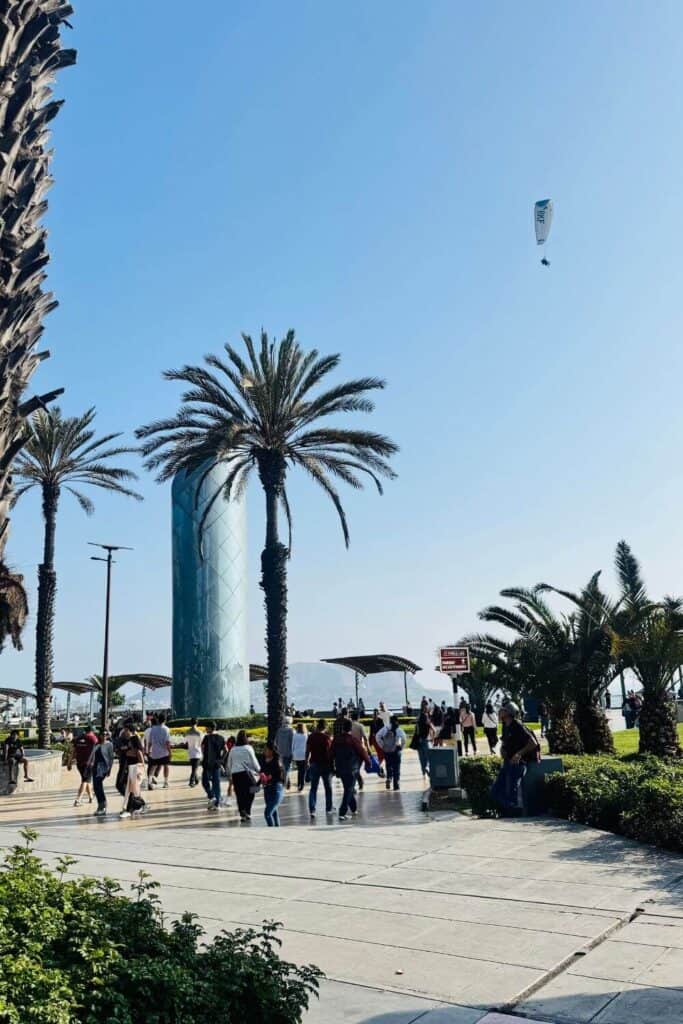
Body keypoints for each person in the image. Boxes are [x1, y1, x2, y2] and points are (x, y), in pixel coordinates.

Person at [490, 702, 540, 812]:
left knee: (512, 792)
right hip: (508, 762)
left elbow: (533, 743)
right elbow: (505, 742)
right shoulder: (505, 726)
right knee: (495, 791)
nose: (499, 712)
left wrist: (519, 754)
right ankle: (510, 808)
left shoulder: (518, 726)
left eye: (502, 710)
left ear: (508, 713)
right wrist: (502, 749)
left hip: (518, 764)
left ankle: (514, 811)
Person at [332, 718, 370, 821]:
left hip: (340, 768)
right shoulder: (353, 740)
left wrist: (333, 767)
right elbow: (362, 752)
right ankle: (342, 812)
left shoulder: (336, 739)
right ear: (350, 728)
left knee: (348, 788)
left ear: (343, 728)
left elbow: (331, 753)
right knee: (349, 789)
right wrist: (368, 762)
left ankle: (353, 808)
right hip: (352, 768)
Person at [227, 729, 261, 821]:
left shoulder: (233, 749)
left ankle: (242, 811)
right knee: (250, 793)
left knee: (239, 794)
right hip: (247, 774)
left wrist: (229, 774)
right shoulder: (248, 748)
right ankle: (247, 811)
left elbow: (229, 763)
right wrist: (259, 771)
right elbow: (254, 761)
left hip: (236, 775)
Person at [307, 718, 334, 818]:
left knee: (313, 788)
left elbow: (307, 750)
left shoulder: (311, 737)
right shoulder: (327, 738)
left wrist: (306, 762)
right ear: (325, 727)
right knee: (328, 788)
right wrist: (332, 766)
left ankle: (312, 810)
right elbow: (330, 753)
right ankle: (329, 808)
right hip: (325, 765)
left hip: (314, 764)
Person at [120, 723, 146, 818]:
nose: (124, 732)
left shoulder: (134, 739)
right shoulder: (129, 740)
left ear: (129, 730)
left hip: (135, 767)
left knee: (132, 789)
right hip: (131, 767)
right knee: (131, 789)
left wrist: (142, 766)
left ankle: (131, 809)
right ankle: (137, 806)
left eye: (125, 730)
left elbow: (139, 752)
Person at [376, 715, 406, 790]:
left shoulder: (385, 728)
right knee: (396, 768)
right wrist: (401, 748)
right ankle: (396, 784)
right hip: (396, 751)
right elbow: (404, 739)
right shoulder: (399, 729)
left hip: (387, 750)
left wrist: (382, 745)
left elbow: (377, 736)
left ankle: (389, 778)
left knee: (388, 765)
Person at [88, 730, 114, 816]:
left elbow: (111, 758)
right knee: (96, 787)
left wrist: (110, 769)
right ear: (99, 735)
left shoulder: (109, 744)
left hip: (103, 767)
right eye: (103, 734)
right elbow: (92, 755)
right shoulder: (96, 744)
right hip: (95, 767)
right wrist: (89, 765)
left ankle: (103, 806)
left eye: (106, 734)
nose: (104, 736)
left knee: (98, 785)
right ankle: (101, 805)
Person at [71, 724, 98, 806]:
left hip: (79, 763)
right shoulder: (92, 738)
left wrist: (69, 762)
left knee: (87, 780)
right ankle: (78, 800)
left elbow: (73, 750)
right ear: (92, 731)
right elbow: (98, 745)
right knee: (85, 781)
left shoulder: (78, 738)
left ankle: (90, 797)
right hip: (89, 763)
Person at [201, 721, 225, 811]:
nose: (206, 729)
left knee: (205, 782)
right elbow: (225, 750)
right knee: (216, 784)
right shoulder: (221, 738)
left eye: (207, 727)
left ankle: (212, 796)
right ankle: (217, 803)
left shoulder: (206, 738)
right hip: (217, 764)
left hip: (207, 764)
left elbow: (202, 749)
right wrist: (221, 760)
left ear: (211, 728)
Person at [262, 742, 286, 826]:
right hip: (267, 789)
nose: (264, 751)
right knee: (274, 812)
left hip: (276, 789)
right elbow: (262, 773)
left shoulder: (277, 761)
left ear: (271, 751)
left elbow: (280, 775)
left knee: (267, 813)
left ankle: (271, 831)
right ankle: (277, 831)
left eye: (266, 749)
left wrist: (270, 777)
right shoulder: (264, 760)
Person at [147, 712, 172, 789]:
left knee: (153, 767)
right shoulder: (166, 729)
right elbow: (167, 742)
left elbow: (150, 742)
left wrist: (148, 751)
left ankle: (149, 782)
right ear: (165, 720)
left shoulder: (153, 729)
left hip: (155, 752)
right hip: (164, 752)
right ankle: (166, 782)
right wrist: (170, 752)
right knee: (166, 766)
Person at [349, 710, 370, 791]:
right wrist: (368, 749)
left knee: (353, 768)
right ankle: (359, 782)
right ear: (358, 718)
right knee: (356, 768)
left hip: (350, 749)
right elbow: (365, 738)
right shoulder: (360, 726)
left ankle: (357, 782)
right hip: (360, 749)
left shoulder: (349, 725)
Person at [275, 716, 295, 790]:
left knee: (284, 768)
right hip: (289, 752)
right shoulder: (291, 730)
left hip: (280, 752)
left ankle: (287, 781)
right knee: (287, 768)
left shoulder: (279, 730)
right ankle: (285, 783)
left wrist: (279, 749)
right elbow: (293, 742)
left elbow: (276, 741)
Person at [368, 708, 387, 778]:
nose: (375, 715)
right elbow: (371, 732)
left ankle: (379, 768)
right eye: (374, 714)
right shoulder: (372, 722)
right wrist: (370, 743)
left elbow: (383, 731)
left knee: (381, 755)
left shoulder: (380, 721)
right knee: (380, 754)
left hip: (379, 739)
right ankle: (379, 768)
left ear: (378, 714)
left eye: (376, 713)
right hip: (374, 740)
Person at [415, 708, 433, 777]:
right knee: (429, 757)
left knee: (421, 758)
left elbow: (416, 732)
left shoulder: (418, 721)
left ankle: (423, 773)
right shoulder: (428, 721)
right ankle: (427, 767)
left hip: (419, 741)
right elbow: (433, 730)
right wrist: (432, 738)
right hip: (427, 740)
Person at [185, 718, 203, 787]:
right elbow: (201, 743)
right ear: (197, 723)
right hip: (197, 752)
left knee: (194, 768)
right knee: (194, 768)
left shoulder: (187, 732)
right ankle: (191, 781)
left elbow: (186, 742)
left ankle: (196, 779)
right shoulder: (199, 732)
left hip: (190, 752)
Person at [292, 722, 308, 792]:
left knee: (299, 770)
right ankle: (302, 783)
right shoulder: (305, 735)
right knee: (303, 771)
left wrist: (293, 753)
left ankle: (299, 784)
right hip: (304, 754)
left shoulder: (295, 735)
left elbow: (292, 745)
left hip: (297, 754)